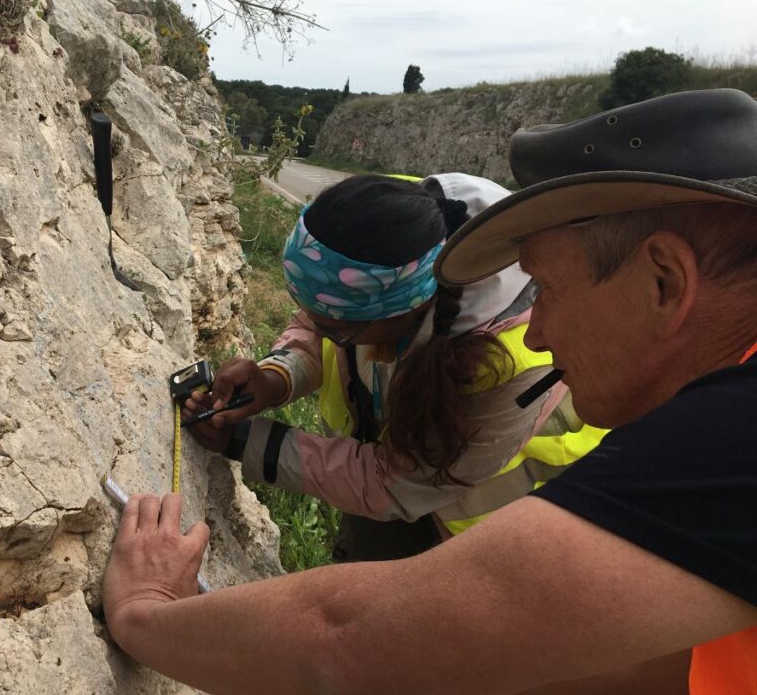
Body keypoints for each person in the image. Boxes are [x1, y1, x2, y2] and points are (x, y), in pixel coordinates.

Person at [102, 88, 757, 694]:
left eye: (550, 292)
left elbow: (349, 638)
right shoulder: (409, 230)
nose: (539, 335)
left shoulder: (726, 440)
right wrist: (279, 375)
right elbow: (639, 665)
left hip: (477, 523)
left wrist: (144, 616)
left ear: (665, 282)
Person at [185, 172, 603, 561]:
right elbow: (321, 320)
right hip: (391, 483)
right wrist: (277, 376)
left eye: (336, 331)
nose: (319, 331)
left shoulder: (512, 365)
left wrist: (243, 441)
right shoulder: (385, 223)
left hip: (476, 530)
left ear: (406, 312)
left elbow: (394, 484)